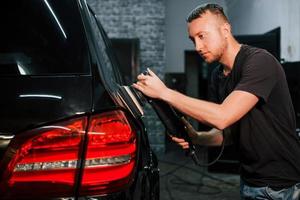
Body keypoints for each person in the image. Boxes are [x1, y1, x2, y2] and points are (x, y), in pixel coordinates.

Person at [133, 3, 300, 200]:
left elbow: (222, 116)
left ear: (225, 30)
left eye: (202, 36)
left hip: (282, 186)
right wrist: (197, 137)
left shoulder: (260, 62)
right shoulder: (217, 76)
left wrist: (164, 92)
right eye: (193, 39)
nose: (197, 47)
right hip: (250, 181)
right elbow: (225, 134)